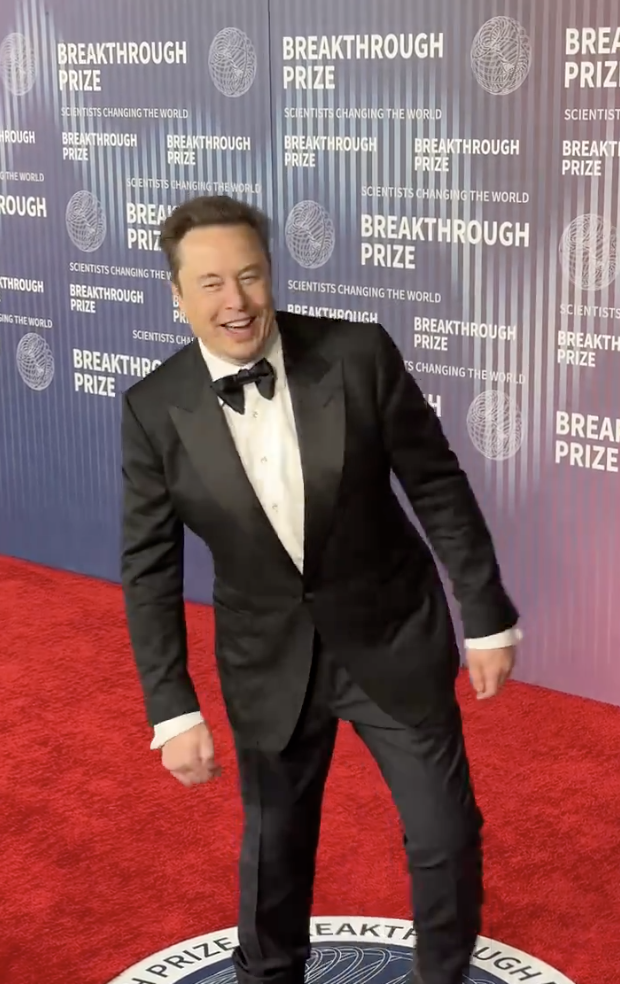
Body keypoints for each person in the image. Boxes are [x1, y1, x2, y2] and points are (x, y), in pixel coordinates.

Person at [120, 194, 520, 984]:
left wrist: (487, 617)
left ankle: (442, 976)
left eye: (249, 276)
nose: (234, 302)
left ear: (271, 275)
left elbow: (437, 486)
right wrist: (171, 707)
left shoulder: (358, 354)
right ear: (177, 295)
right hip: (267, 658)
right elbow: (149, 566)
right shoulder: (152, 409)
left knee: (444, 835)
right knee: (274, 847)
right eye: (209, 284)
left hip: (391, 635)